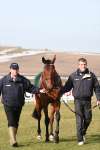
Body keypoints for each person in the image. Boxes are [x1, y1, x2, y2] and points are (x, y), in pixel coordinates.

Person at [60, 58, 100, 145]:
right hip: (77, 101)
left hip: (87, 101)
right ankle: (80, 139)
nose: (83, 66)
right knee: (79, 120)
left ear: (86, 65)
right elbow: (67, 87)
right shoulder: (73, 76)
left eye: (84, 64)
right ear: (78, 65)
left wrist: (98, 99)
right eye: (81, 64)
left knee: (88, 119)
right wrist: (60, 92)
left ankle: (83, 132)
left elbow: (97, 88)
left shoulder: (91, 75)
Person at [0, 63, 40, 147]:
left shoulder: (23, 80)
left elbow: (31, 88)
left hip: (19, 104)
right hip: (8, 104)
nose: (15, 71)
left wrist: (40, 90)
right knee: (11, 121)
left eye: (17, 69)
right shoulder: (4, 80)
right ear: (10, 69)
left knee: (16, 122)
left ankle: (12, 139)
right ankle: (13, 141)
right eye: (14, 69)